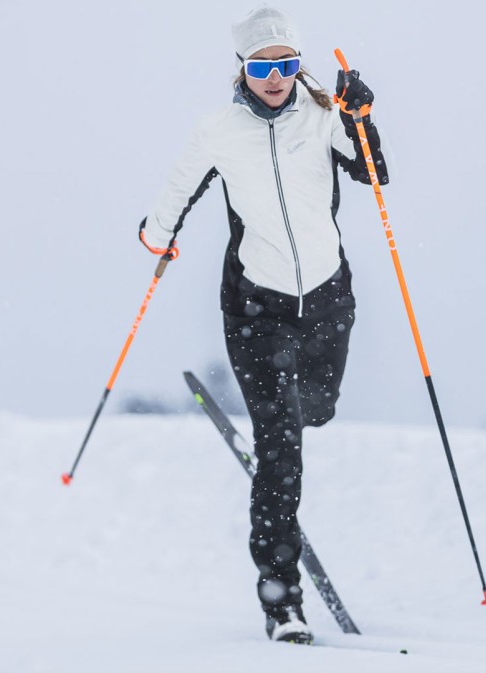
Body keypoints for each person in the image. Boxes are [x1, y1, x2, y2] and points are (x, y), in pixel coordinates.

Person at [139, 5, 388, 643]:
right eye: (260, 67)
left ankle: (283, 430)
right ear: (242, 69)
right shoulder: (217, 132)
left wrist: (360, 116)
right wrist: (157, 236)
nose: (274, 78)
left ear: (298, 65)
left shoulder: (324, 115)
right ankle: (283, 603)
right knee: (283, 452)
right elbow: (176, 192)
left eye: (284, 64)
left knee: (318, 410)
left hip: (328, 300)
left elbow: (372, 171)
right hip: (258, 310)